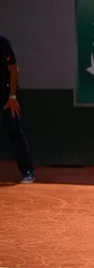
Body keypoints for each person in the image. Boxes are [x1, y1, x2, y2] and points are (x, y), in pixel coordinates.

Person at [0, 32, 35, 183]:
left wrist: (12, 97)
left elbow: (14, 69)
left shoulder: (2, 42)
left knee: (14, 131)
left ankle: (27, 171)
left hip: (6, 93)